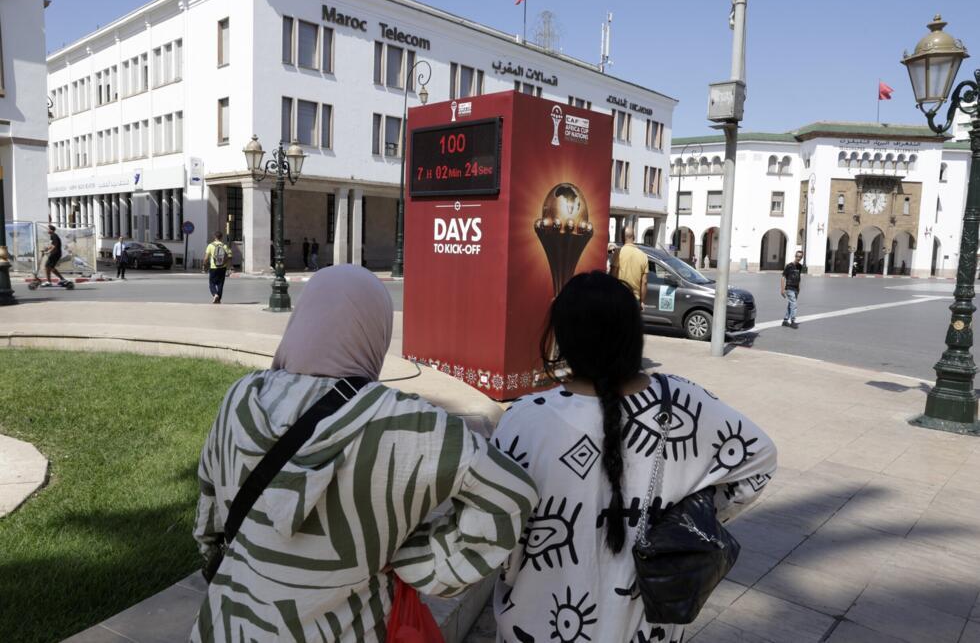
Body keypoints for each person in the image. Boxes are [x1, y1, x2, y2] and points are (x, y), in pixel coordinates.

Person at [191, 265, 537, 641]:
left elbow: (210, 514)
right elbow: (509, 495)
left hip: (229, 626)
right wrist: (419, 563)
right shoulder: (406, 422)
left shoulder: (242, 397)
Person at [492, 271, 776, 643]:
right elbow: (759, 459)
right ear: (633, 334)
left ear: (563, 337)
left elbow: (500, 537)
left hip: (536, 621)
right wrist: (690, 517)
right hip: (644, 628)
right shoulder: (684, 402)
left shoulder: (523, 421)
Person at [610, 225, 649, 305]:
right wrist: (642, 302)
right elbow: (644, 282)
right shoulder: (643, 256)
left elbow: (612, 276)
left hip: (620, 297)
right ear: (634, 237)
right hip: (635, 300)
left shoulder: (618, 252)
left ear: (622, 237)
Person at [203, 231, 232, 304]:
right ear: (221, 237)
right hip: (223, 267)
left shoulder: (210, 245)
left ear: (214, 237)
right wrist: (229, 266)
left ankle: (215, 294)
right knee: (220, 284)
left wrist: (204, 265)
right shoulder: (224, 246)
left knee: (212, 283)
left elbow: (206, 258)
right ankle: (218, 299)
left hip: (213, 267)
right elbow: (230, 256)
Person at [781, 250, 804, 329]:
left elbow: (799, 277)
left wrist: (799, 287)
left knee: (790, 305)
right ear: (795, 256)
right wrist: (782, 289)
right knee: (794, 304)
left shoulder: (800, 266)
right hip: (789, 288)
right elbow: (783, 277)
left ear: (801, 257)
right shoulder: (789, 266)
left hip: (796, 289)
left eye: (800, 257)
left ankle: (785, 320)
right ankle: (793, 321)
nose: (798, 258)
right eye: (797, 256)